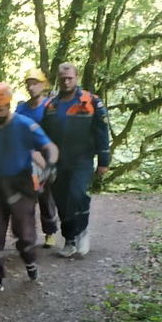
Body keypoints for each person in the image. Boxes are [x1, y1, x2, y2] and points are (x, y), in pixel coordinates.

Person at [0, 82, 58, 296]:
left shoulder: (25, 125)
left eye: (1, 108)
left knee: (24, 235)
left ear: (9, 104)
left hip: (20, 186)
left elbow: (49, 146)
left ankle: (30, 261)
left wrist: (50, 165)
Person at [40, 63, 110, 258]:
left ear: (76, 77)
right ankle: (69, 239)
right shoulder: (51, 105)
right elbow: (43, 135)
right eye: (62, 78)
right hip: (58, 162)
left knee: (77, 195)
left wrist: (104, 160)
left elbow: (102, 131)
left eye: (70, 77)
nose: (66, 81)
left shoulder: (91, 101)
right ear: (58, 79)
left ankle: (82, 231)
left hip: (82, 159)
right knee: (62, 201)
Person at [15, 68, 61, 248]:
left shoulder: (50, 106)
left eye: (35, 83)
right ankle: (27, 234)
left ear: (43, 85)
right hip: (26, 157)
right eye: (29, 84)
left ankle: (50, 231)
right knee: (26, 197)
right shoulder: (21, 108)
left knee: (45, 195)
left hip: (44, 157)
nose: (32, 87)